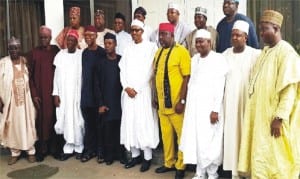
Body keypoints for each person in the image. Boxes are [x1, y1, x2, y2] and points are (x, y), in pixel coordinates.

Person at [238, 10, 300, 178]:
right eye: (260, 29)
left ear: (276, 28)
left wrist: (279, 118)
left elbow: (289, 90)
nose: (261, 33)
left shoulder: (286, 53)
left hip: (273, 119)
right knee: (261, 157)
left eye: (264, 29)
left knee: (276, 160)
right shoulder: (265, 52)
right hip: (260, 116)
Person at [180, 29, 228, 179]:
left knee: (210, 142)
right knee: (197, 141)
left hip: (210, 108)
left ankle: (212, 174)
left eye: (202, 41)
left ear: (210, 42)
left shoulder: (218, 59)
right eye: (197, 41)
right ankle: (200, 173)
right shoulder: (194, 59)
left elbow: (220, 85)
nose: (198, 44)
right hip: (194, 108)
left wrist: (215, 110)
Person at [119, 19, 159, 172]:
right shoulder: (128, 49)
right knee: (131, 123)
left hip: (142, 93)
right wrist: (126, 87)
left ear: (143, 31)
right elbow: (122, 69)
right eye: (132, 30)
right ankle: (135, 156)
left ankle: (147, 158)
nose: (134, 33)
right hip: (128, 94)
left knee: (144, 123)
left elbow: (150, 71)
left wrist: (136, 88)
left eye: (137, 30)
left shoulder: (151, 47)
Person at [222, 20, 261, 178]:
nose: (235, 37)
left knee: (246, 134)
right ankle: (235, 173)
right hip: (230, 104)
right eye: (233, 35)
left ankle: (249, 171)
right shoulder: (225, 54)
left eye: (238, 35)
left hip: (247, 102)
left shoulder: (255, 54)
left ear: (246, 37)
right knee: (232, 135)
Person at [153, 23, 191, 179]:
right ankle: (169, 162)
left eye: (164, 34)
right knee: (166, 135)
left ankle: (181, 166)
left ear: (172, 35)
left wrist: (181, 101)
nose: (162, 37)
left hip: (176, 105)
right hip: (162, 105)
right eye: (160, 34)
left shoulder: (182, 52)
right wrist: (155, 97)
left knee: (181, 136)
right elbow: (156, 75)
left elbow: (187, 77)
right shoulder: (158, 53)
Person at [0, 37, 37, 165]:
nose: (13, 50)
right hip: (11, 103)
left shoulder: (25, 62)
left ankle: (30, 151)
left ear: (20, 49)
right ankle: (15, 152)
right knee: (13, 127)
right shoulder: (3, 63)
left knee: (28, 124)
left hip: (26, 102)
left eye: (16, 48)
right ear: (8, 49)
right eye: (11, 48)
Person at [27, 26, 61, 162]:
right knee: (41, 122)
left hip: (54, 93)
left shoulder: (55, 51)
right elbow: (29, 76)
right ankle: (42, 150)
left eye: (46, 37)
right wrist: (34, 94)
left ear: (50, 37)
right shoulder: (34, 53)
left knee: (54, 120)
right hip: (40, 94)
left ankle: (54, 149)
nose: (43, 40)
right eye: (41, 37)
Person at [52, 29, 84, 161]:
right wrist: (56, 94)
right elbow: (56, 77)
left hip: (77, 93)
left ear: (77, 42)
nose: (70, 43)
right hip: (64, 94)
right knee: (66, 120)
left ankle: (79, 147)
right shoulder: (60, 55)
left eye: (72, 40)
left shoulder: (81, 55)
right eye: (68, 40)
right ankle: (68, 148)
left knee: (78, 120)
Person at [96, 32, 123, 165]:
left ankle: (120, 155)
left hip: (120, 102)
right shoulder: (100, 63)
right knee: (107, 130)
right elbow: (97, 85)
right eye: (105, 43)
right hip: (106, 103)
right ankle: (109, 155)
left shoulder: (121, 60)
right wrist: (100, 103)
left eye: (110, 43)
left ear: (115, 44)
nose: (107, 46)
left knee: (119, 129)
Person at [80, 25, 106, 163]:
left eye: (91, 35)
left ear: (96, 36)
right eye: (86, 35)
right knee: (89, 125)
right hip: (87, 95)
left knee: (100, 125)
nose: (88, 37)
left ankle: (101, 152)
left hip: (99, 96)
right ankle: (89, 151)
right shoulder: (84, 53)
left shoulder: (102, 52)